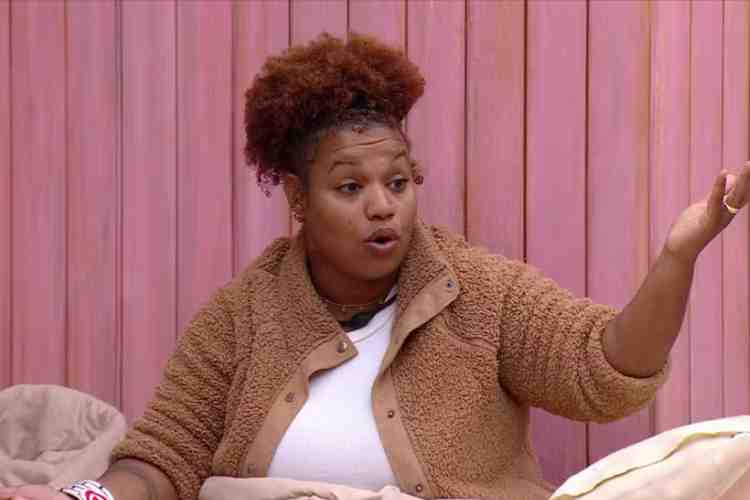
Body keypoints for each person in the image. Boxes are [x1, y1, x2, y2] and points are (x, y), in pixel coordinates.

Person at [1, 32, 748, 500]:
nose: (383, 207)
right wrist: (83, 498)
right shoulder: (241, 315)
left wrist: (677, 255)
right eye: (351, 188)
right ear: (298, 198)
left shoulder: (479, 291)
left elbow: (604, 369)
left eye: (398, 182)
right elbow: (162, 459)